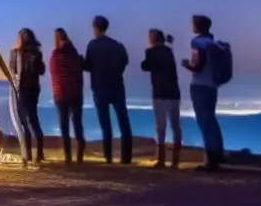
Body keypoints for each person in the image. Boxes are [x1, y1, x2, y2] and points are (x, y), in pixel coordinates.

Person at [83, 15, 133, 164]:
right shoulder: (118, 45)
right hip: (117, 86)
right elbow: (125, 62)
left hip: (100, 88)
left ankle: (108, 157)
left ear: (96, 28)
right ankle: (126, 157)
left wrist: (80, 63)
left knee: (106, 124)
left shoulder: (92, 45)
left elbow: (88, 65)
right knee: (123, 122)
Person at [181, 14, 225, 171]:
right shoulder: (213, 43)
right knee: (211, 119)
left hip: (200, 85)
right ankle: (218, 153)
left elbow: (197, 65)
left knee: (204, 121)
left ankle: (211, 160)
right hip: (212, 86)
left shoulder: (197, 42)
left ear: (197, 26)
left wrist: (186, 64)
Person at [140, 29, 182, 169]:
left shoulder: (151, 52)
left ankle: (161, 159)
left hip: (159, 92)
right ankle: (176, 159)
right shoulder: (168, 51)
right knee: (175, 125)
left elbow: (145, 66)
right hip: (174, 92)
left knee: (161, 126)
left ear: (153, 38)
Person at [9, 28, 45, 165]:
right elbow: (41, 70)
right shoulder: (35, 53)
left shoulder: (18, 53)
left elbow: (13, 70)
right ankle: (35, 152)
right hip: (32, 89)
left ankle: (30, 153)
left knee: (26, 120)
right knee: (30, 118)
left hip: (24, 90)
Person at [49, 27, 85, 165]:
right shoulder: (74, 53)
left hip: (61, 94)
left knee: (64, 125)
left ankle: (68, 157)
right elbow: (79, 70)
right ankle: (80, 154)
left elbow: (54, 73)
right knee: (77, 123)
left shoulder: (56, 54)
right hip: (76, 93)